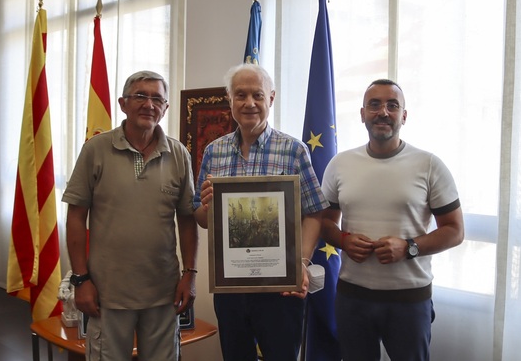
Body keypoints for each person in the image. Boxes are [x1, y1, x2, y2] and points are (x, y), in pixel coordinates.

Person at [321, 79, 465, 361]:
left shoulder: (429, 164)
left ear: (404, 116)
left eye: (392, 105)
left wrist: (409, 247)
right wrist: (344, 241)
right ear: (362, 114)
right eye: (374, 105)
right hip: (353, 298)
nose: (383, 112)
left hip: (409, 301)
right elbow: (325, 223)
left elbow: (455, 230)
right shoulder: (340, 164)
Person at [193, 63, 329, 361]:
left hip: (280, 290)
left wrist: (301, 264)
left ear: (271, 98)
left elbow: (314, 213)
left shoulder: (293, 150)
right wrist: (205, 206)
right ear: (229, 100)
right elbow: (201, 219)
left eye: (257, 94)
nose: (249, 103)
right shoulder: (213, 152)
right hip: (230, 289)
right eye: (240, 95)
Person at [62, 70, 198, 361]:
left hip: (164, 293)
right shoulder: (96, 150)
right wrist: (80, 279)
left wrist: (190, 274)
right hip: (107, 294)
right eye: (140, 96)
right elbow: (75, 216)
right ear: (123, 104)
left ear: (165, 108)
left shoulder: (178, 154)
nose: (149, 104)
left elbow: (187, 219)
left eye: (157, 99)